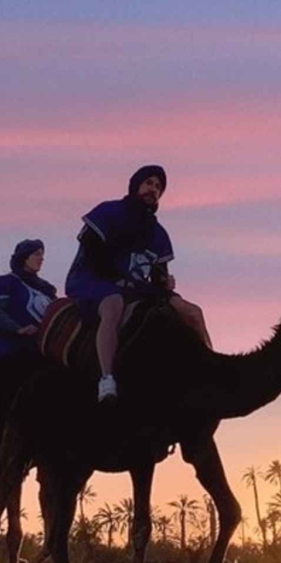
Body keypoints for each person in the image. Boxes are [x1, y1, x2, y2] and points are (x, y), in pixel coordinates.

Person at [65, 165, 210, 402]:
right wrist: (119, 279)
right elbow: (92, 251)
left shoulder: (158, 234)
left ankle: (208, 370)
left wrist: (165, 282)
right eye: (149, 183)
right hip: (93, 279)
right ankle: (107, 378)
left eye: (158, 187)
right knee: (113, 304)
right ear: (136, 185)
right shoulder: (109, 211)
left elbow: (158, 275)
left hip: (136, 287)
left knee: (192, 312)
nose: (153, 189)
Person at [0, 238, 58, 418]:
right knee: (3, 388)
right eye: (36, 254)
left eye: (42, 255)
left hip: (40, 349)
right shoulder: (5, 283)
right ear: (24, 257)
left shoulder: (47, 290)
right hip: (8, 348)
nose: (41, 259)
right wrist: (18, 329)